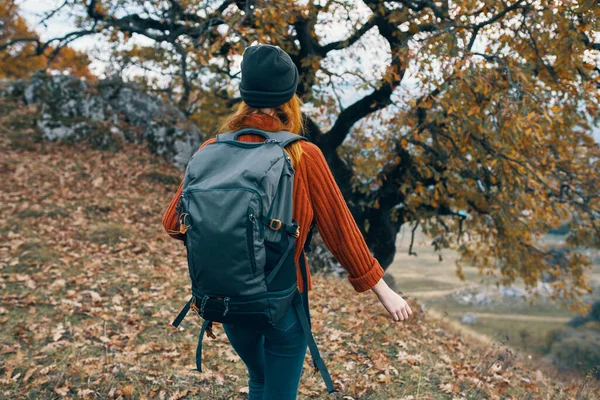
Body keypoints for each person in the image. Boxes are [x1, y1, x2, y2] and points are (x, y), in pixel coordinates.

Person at [162, 44, 412, 400]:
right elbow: (340, 231)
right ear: (289, 97)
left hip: (226, 302)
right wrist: (383, 291)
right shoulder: (302, 154)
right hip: (280, 302)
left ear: (244, 94)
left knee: (260, 381)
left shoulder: (209, 151)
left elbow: (173, 222)